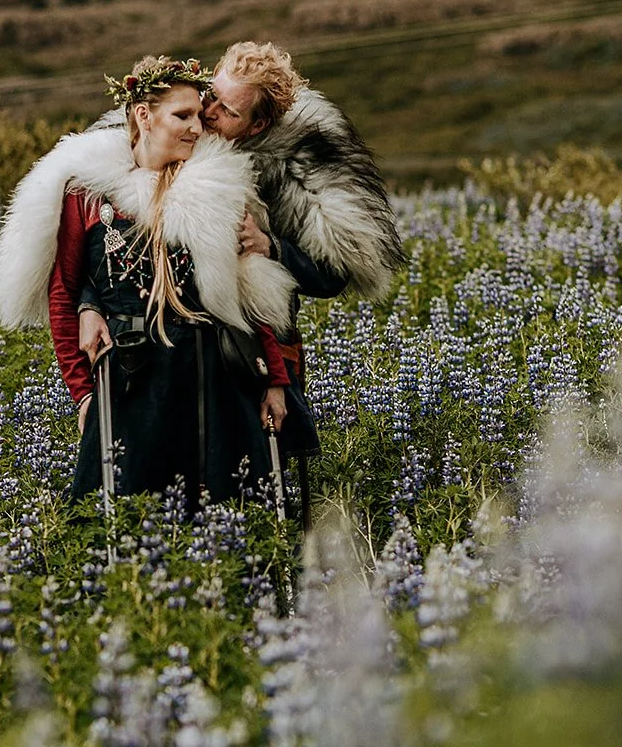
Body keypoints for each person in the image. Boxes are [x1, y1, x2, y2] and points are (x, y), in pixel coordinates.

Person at [80, 42, 403, 479]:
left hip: (250, 348)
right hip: (169, 353)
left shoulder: (290, 172)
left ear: (257, 126)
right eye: (211, 94)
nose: (208, 112)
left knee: (247, 479)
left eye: (227, 110)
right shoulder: (168, 143)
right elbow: (110, 246)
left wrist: (272, 247)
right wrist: (91, 303)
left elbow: (334, 274)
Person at [0, 54, 296, 508]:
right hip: (132, 379)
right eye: (183, 115)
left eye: (200, 114)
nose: (198, 126)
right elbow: (63, 294)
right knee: (124, 517)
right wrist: (81, 393)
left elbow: (248, 291)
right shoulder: (87, 192)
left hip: (211, 375)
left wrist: (274, 378)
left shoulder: (213, 185)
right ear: (143, 116)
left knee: (225, 515)